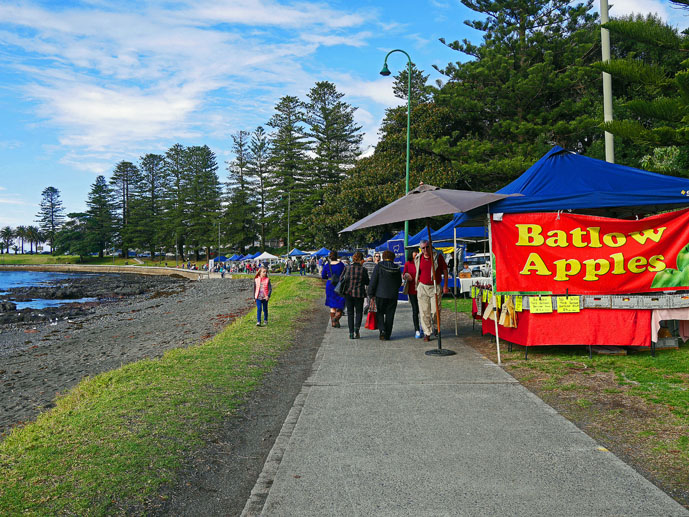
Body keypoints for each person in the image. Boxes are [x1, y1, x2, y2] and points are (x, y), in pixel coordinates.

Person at [414, 240, 450, 342]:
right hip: (422, 287)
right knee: (424, 312)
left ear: (431, 247)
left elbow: (445, 270)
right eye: (423, 248)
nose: (425, 250)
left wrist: (445, 285)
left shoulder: (437, 257)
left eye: (427, 247)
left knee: (435, 311)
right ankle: (427, 332)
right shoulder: (418, 257)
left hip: (435, 286)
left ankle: (435, 327)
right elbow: (417, 271)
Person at [368, 250, 402, 340]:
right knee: (390, 315)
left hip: (380, 294)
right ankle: (388, 334)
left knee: (379, 313)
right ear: (393, 258)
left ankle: (382, 330)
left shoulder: (379, 266)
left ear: (383, 257)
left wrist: (370, 293)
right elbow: (399, 282)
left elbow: (374, 280)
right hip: (392, 295)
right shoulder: (397, 268)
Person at [340, 251, 369, 339]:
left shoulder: (347, 268)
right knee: (359, 312)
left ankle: (351, 332)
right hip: (359, 293)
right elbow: (367, 282)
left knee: (350, 313)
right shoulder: (363, 269)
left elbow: (341, 279)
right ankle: (357, 328)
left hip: (348, 293)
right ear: (361, 259)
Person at [321, 250, 346, 327]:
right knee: (340, 304)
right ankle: (336, 318)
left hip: (330, 285)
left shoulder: (326, 265)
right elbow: (345, 273)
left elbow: (323, 276)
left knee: (332, 305)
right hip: (340, 285)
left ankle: (333, 322)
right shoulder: (341, 265)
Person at [403, 249, 422, 339]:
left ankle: (423, 327)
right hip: (412, 289)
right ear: (411, 254)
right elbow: (404, 275)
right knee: (415, 309)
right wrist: (406, 276)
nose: (417, 254)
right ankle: (417, 329)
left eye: (417, 253)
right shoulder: (408, 263)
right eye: (415, 252)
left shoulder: (421, 262)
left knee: (423, 309)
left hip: (422, 289)